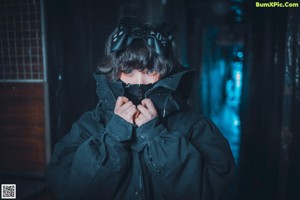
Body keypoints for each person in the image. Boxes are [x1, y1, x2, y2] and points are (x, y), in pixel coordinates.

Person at [46, 16, 238, 200]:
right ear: (114, 73)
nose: (139, 82)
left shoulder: (194, 126)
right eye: (128, 71)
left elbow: (210, 188)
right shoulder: (89, 125)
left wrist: (157, 137)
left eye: (150, 71)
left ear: (166, 72)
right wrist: (114, 136)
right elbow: (70, 190)